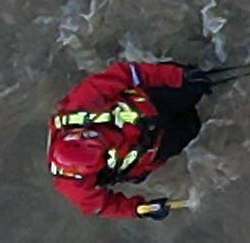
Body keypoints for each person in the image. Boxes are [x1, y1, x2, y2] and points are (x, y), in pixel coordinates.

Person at [49, 58, 196, 223]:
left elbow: (126, 73)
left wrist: (177, 76)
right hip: (154, 148)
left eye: (94, 136)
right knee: (192, 127)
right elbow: (104, 206)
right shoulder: (75, 186)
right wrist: (137, 209)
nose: (104, 141)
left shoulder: (81, 102)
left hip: (151, 103)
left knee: (192, 84)